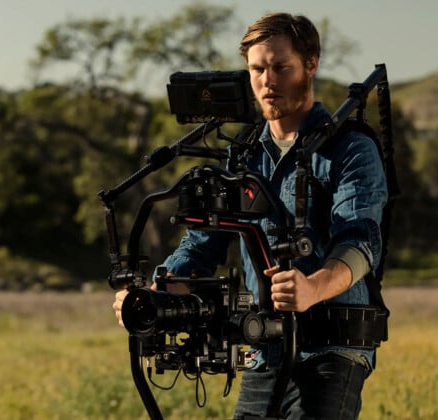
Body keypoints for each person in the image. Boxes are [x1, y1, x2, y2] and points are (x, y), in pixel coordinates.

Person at [113, 12, 388, 420]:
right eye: (258, 69)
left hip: (332, 346)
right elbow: (202, 242)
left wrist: (313, 286)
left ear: (311, 64)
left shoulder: (349, 147)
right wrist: (155, 292)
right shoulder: (241, 154)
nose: (267, 81)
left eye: (281, 67)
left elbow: (361, 240)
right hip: (265, 348)